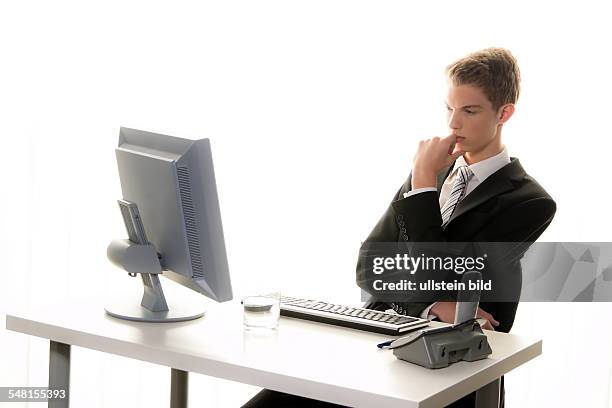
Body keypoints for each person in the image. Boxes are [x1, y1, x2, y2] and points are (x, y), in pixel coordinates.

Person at [243, 47, 556, 408]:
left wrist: (422, 183)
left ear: (504, 113)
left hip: (450, 371)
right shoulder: (432, 169)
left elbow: (437, 272)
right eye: (449, 109)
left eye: (470, 111)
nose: (454, 123)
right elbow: (367, 266)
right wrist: (435, 304)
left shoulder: (529, 202)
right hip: (383, 346)